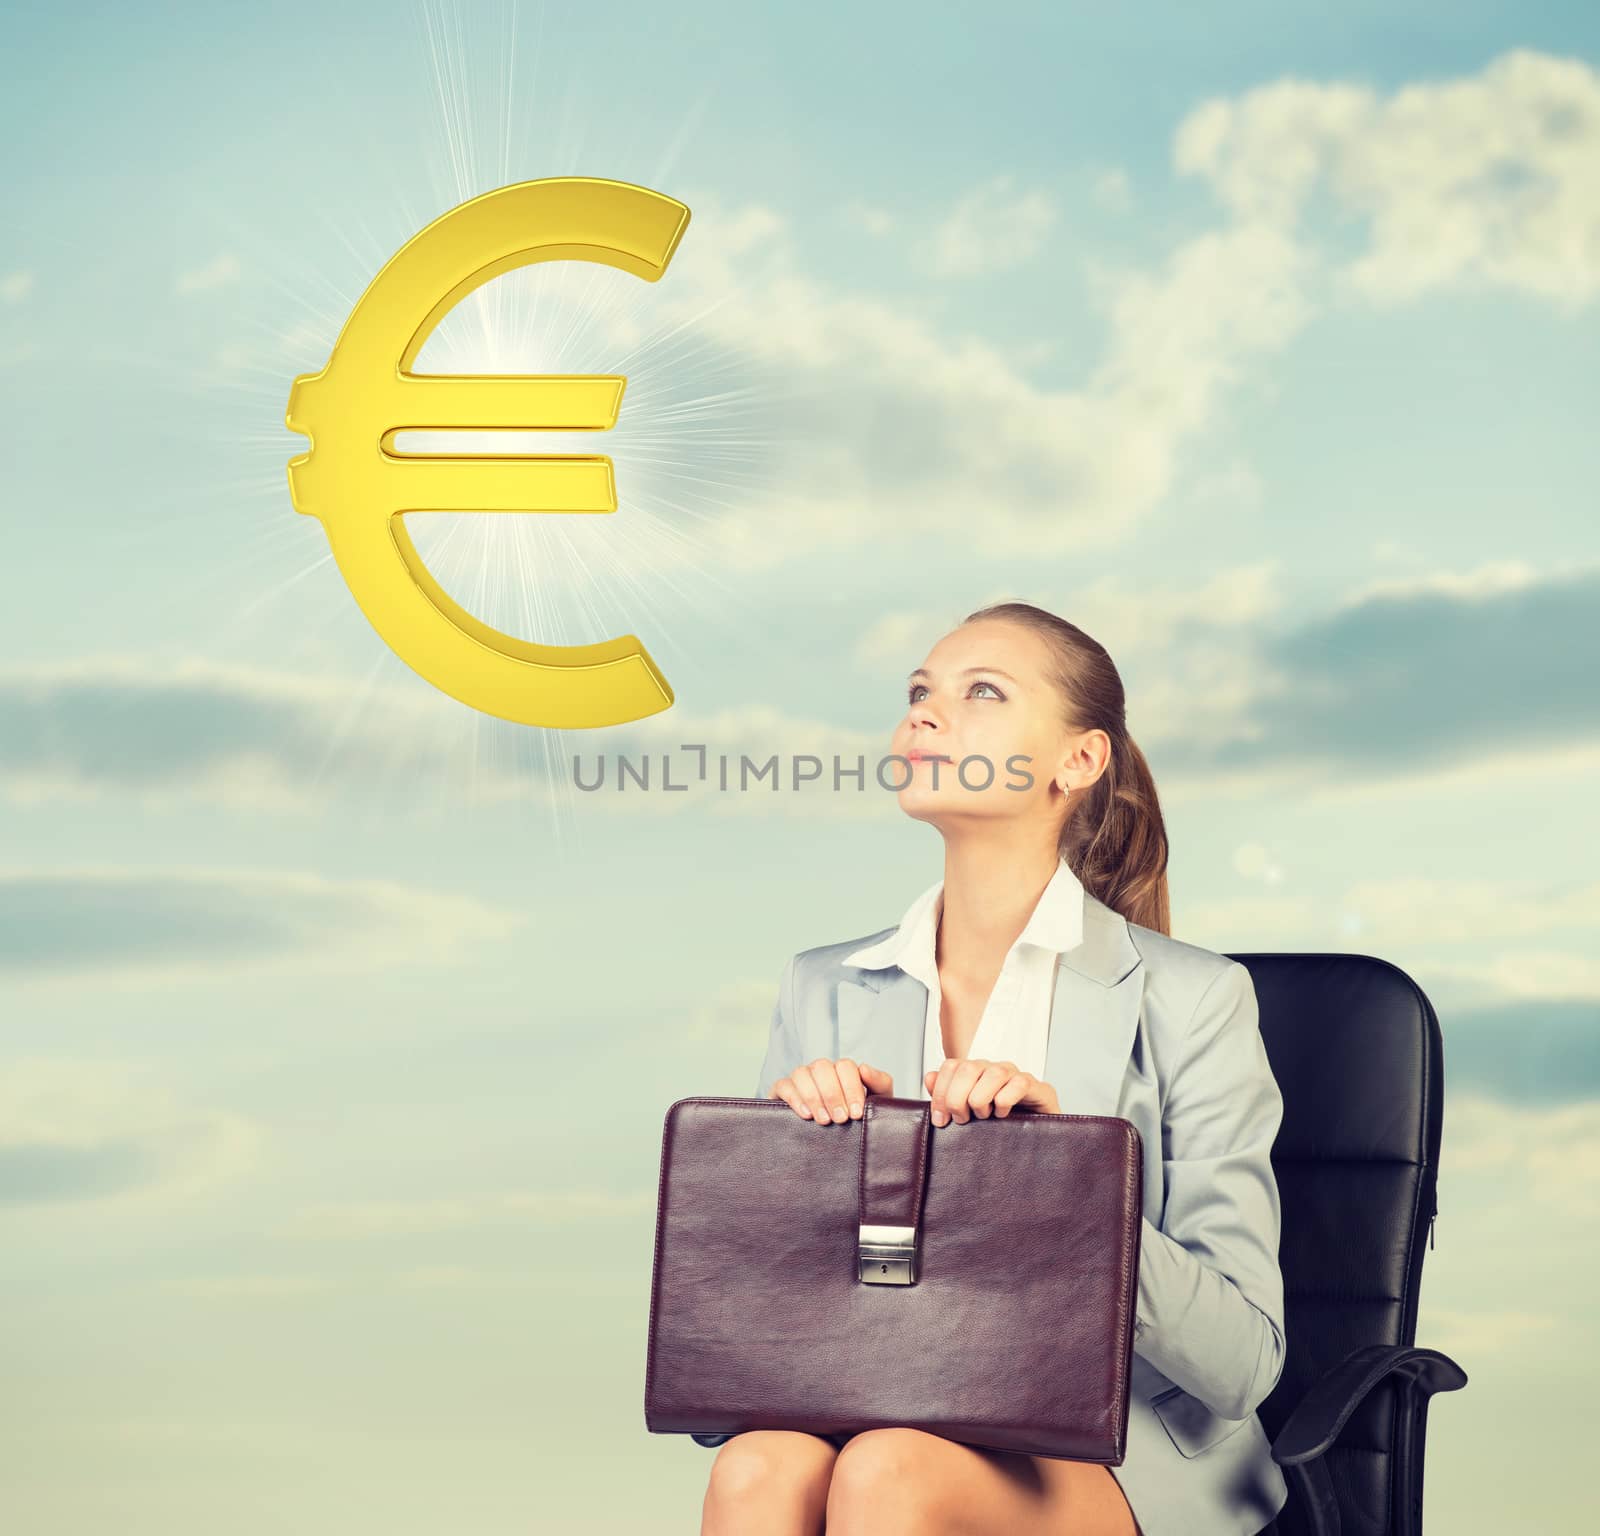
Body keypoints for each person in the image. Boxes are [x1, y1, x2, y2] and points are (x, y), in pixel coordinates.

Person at [696, 602, 1289, 1536]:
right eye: (918, 693)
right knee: (755, 1467)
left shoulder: (1197, 998)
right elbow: (773, 1343)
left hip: (1120, 1449)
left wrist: (1068, 1186)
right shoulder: (823, 987)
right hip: (885, 1412)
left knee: (890, 1475)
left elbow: (1243, 1362)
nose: (923, 715)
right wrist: (786, 1187)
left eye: (981, 692)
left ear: (1078, 761)